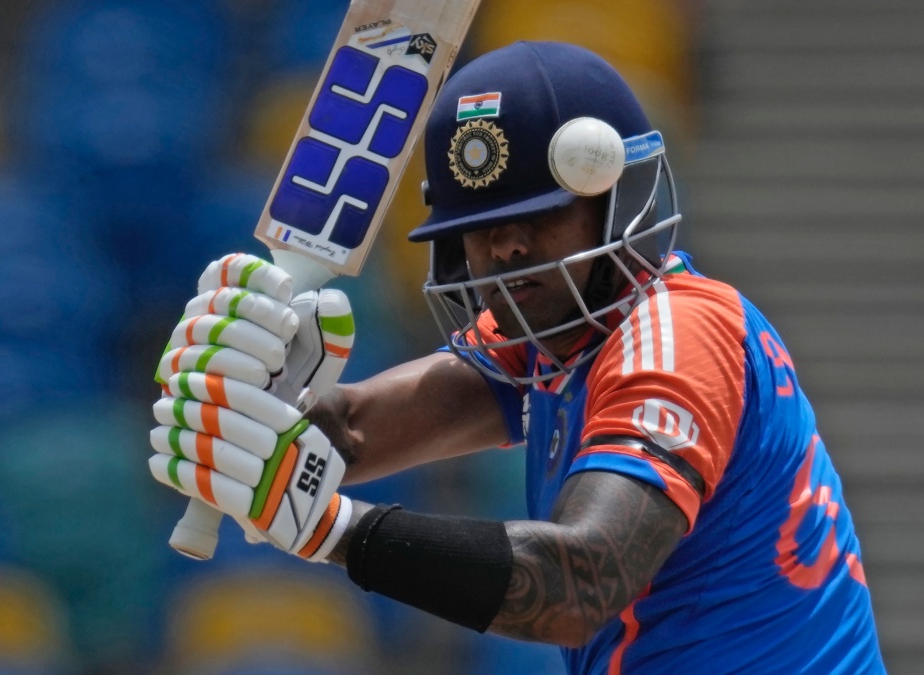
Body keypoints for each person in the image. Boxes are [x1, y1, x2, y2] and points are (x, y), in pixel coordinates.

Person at [148, 42, 886, 674]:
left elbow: (580, 582)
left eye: (539, 214)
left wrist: (338, 531)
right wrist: (258, 399)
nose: (507, 247)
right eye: (484, 225)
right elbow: (355, 432)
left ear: (614, 199)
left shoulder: (678, 331)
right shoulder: (551, 343)